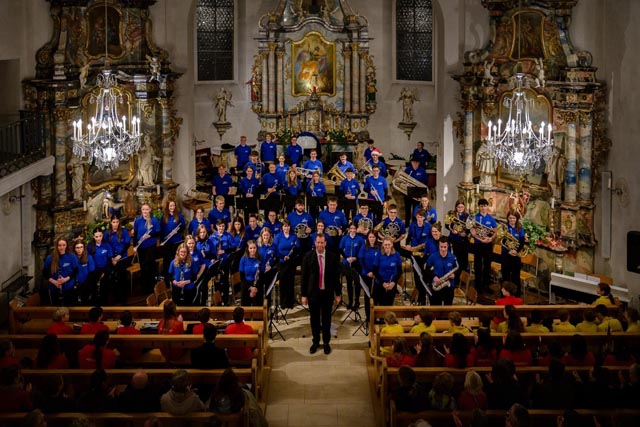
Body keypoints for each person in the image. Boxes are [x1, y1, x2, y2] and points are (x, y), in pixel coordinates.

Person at [301, 233, 342, 355]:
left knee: (326, 319)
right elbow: (304, 277)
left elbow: (336, 277)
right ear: (315, 243)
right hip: (313, 293)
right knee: (314, 319)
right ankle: (315, 342)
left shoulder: (333, 257)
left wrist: (338, 293)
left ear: (325, 243)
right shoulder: (308, 257)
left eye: (322, 242)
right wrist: (304, 295)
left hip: (327, 293)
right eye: (318, 242)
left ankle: (326, 343)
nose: (319, 245)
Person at [401, 209, 430, 304]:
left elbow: (429, 240)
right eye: (418, 217)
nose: (419, 219)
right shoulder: (412, 225)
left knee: (423, 275)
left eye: (421, 217)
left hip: (423, 254)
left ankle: (422, 297)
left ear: (424, 218)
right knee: (417, 275)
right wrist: (408, 244)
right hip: (414, 253)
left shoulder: (428, 226)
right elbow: (409, 237)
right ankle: (419, 296)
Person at [133, 203, 162, 294]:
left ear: (150, 210)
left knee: (150, 266)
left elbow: (158, 233)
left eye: (146, 209)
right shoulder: (137, 220)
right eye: (143, 210)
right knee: (143, 267)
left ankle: (152, 288)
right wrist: (135, 246)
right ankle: (145, 288)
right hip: (141, 247)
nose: (145, 211)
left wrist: (150, 235)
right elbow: (135, 234)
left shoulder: (154, 220)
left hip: (151, 247)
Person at [470, 198, 497, 294]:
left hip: (488, 245)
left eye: (485, 206)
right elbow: (472, 231)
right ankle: (478, 286)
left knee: (487, 265)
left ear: (487, 207)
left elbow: (495, 231)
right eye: (481, 206)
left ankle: (486, 285)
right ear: (479, 207)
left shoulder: (490, 218)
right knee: (477, 265)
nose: (483, 208)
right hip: (478, 244)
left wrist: (491, 238)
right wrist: (480, 238)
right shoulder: (475, 217)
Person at [42, 238, 78, 306]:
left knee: (69, 307)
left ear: (66, 245)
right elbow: (44, 273)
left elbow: (75, 271)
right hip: (54, 288)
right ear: (56, 246)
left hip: (68, 288)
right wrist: (54, 282)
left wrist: (65, 280)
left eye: (64, 245)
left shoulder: (72, 256)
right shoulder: (50, 257)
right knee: (56, 309)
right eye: (59, 245)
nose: (62, 247)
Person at [105, 215, 132, 304]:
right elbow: (106, 246)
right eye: (113, 222)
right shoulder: (107, 233)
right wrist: (112, 258)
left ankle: (123, 299)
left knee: (121, 275)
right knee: (112, 276)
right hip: (112, 258)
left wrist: (119, 256)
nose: (115, 224)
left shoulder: (123, 231)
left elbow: (127, 244)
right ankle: (115, 299)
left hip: (122, 257)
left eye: (117, 222)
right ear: (110, 222)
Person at [426, 236, 459, 306]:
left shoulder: (453, 257)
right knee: (435, 309)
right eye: (441, 247)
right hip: (437, 285)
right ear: (438, 246)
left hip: (449, 287)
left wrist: (454, 275)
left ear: (448, 246)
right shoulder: (433, 256)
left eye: (445, 247)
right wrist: (434, 277)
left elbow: (456, 269)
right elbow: (427, 269)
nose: (443, 249)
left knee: (448, 308)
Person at [274, 219, 299, 308]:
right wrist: (282, 257)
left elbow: (297, 248)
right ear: (282, 227)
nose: (286, 228)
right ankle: (283, 303)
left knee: (290, 282)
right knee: (283, 283)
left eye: (288, 226)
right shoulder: (278, 236)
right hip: (281, 263)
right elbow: (275, 249)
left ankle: (290, 302)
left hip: (291, 262)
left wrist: (290, 257)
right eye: (284, 226)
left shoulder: (294, 236)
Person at [339, 223, 365, 309]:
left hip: (356, 263)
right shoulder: (345, 238)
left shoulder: (360, 239)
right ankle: (350, 302)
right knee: (349, 283)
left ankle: (357, 301)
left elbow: (362, 251)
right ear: (349, 229)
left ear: (356, 229)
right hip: (347, 263)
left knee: (357, 283)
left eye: (354, 229)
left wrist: (355, 258)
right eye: (351, 228)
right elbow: (340, 249)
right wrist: (346, 258)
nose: (353, 230)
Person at [501, 211, 527, 295]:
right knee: (505, 275)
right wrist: (509, 251)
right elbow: (503, 240)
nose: (512, 220)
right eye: (510, 218)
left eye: (514, 218)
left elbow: (522, 242)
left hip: (516, 255)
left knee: (516, 275)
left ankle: (516, 294)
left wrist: (516, 251)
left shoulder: (520, 228)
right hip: (506, 254)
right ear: (508, 218)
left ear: (517, 219)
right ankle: (504, 294)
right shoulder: (505, 228)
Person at [446, 199, 470, 288]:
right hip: (455, 240)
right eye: (459, 207)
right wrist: (452, 230)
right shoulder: (452, 215)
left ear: (464, 207)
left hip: (464, 241)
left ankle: (463, 280)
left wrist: (466, 233)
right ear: (456, 207)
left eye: (462, 207)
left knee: (464, 261)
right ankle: (456, 279)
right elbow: (446, 224)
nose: (460, 208)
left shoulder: (467, 216)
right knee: (456, 260)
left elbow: (470, 228)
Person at [358, 231, 379, 322]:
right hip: (366, 274)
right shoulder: (364, 247)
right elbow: (361, 261)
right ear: (368, 238)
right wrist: (368, 272)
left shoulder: (378, 248)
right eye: (370, 237)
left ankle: (375, 316)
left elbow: (380, 261)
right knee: (368, 297)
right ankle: (368, 317)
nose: (372, 239)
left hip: (376, 275)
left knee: (375, 296)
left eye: (373, 237)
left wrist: (374, 272)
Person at [375, 238, 402, 306]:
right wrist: (383, 283)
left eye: (389, 244)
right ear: (383, 245)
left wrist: (393, 282)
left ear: (392, 245)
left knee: (389, 304)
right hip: (380, 284)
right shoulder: (379, 254)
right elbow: (375, 270)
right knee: (381, 305)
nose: (387, 246)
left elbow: (400, 271)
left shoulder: (397, 254)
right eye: (385, 244)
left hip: (391, 285)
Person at [403, 156, 429, 223]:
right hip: (408, 192)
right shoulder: (408, 169)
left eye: (416, 162)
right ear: (411, 162)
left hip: (418, 193)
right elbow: (403, 179)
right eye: (413, 162)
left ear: (419, 163)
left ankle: (414, 223)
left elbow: (426, 181)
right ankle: (406, 224)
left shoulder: (422, 170)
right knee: (407, 209)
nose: (415, 163)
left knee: (416, 209)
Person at [239, 240, 263, 306]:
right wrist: (250, 288)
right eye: (251, 248)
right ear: (247, 249)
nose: (253, 250)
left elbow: (261, 276)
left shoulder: (260, 258)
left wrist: (255, 288)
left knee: (258, 308)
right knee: (245, 308)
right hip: (246, 285)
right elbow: (242, 277)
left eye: (254, 248)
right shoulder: (243, 259)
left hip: (257, 285)